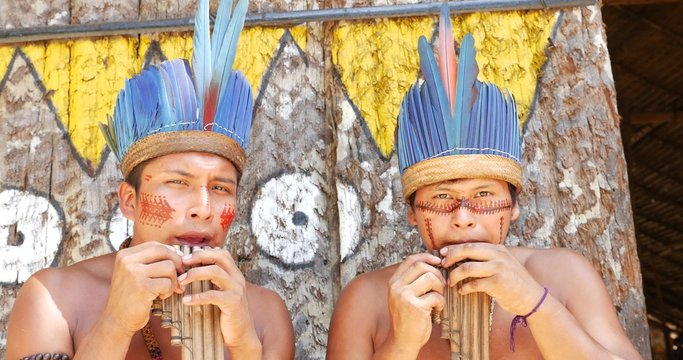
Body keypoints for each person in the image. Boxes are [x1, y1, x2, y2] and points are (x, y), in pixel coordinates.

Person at [326, 8, 641, 360]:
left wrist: (535, 303)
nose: (463, 217)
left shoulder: (565, 276)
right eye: (442, 197)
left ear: (515, 204)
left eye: (484, 195)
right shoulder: (367, 300)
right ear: (412, 212)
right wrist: (402, 343)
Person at [6, 0, 294, 358]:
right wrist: (115, 322)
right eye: (178, 182)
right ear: (130, 200)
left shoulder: (263, 315)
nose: (203, 210)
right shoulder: (53, 299)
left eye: (220, 188)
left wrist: (243, 346)